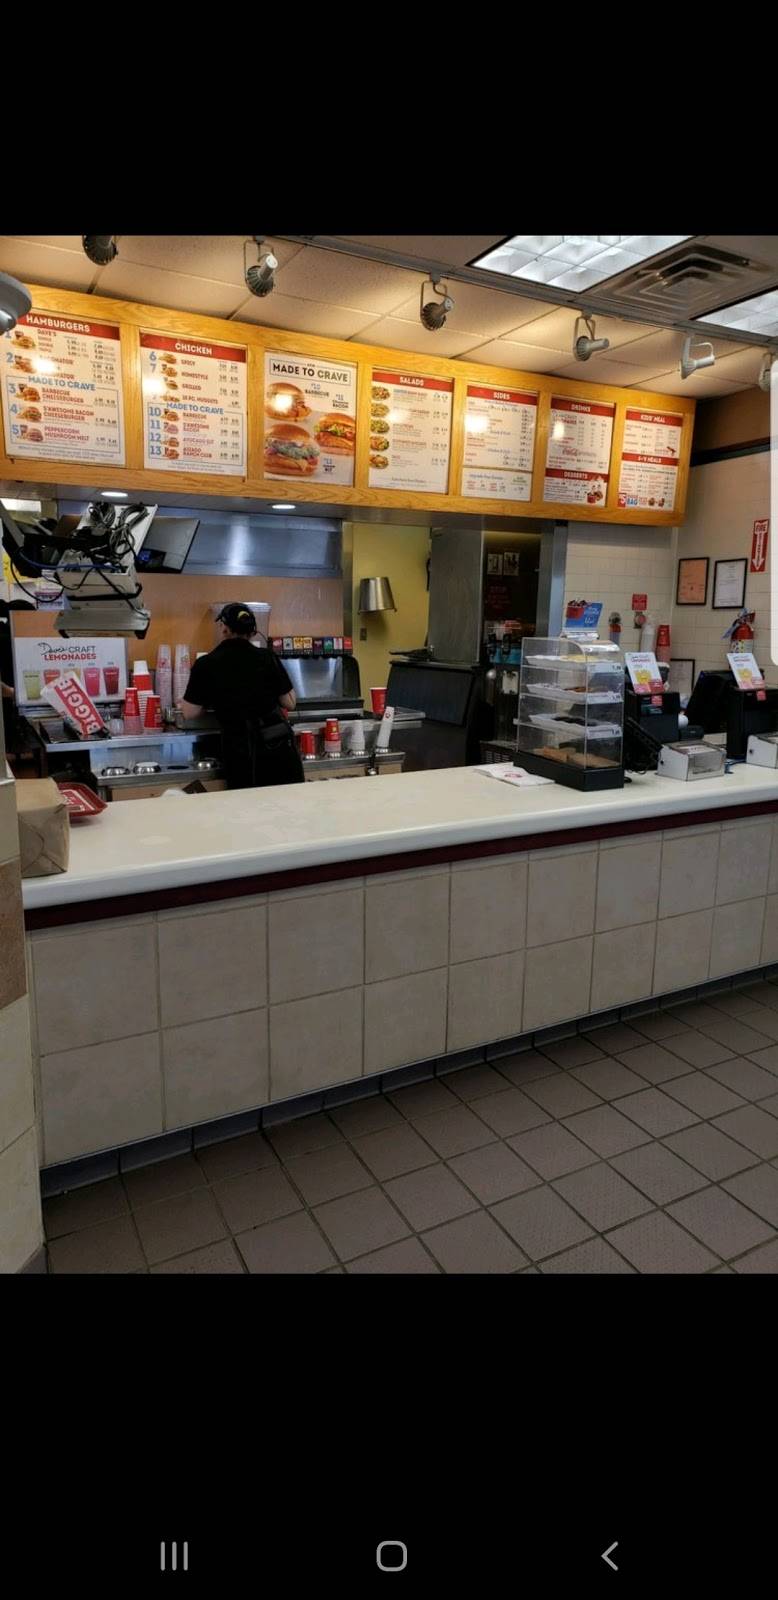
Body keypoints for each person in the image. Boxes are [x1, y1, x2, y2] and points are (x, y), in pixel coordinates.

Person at [178, 602, 304, 790]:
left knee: (247, 806)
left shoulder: (206, 664)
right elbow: (290, 702)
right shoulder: (267, 657)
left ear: (224, 628)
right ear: (253, 631)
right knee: (285, 805)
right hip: (277, 748)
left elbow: (189, 712)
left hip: (240, 752)